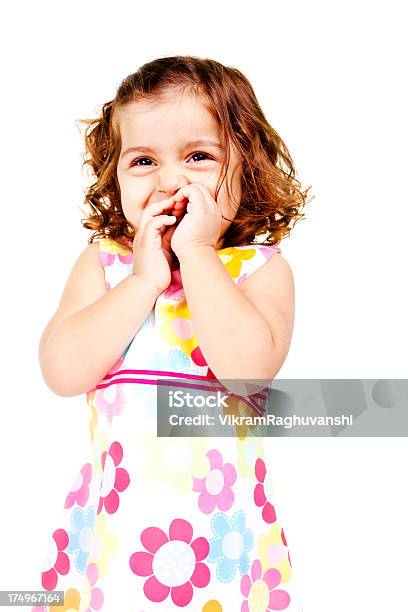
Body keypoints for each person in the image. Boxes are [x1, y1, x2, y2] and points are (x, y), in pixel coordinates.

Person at [32, 55, 311, 611]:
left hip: (221, 537)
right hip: (116, 534)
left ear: (247, 169)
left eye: (199, 156)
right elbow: (62, 372)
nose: (169, 179)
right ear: (115, 177)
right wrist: (143, 280)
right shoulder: (106, 266)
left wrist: (198, 253)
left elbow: (247, 370)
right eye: (142, 160)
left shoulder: (256, 269)